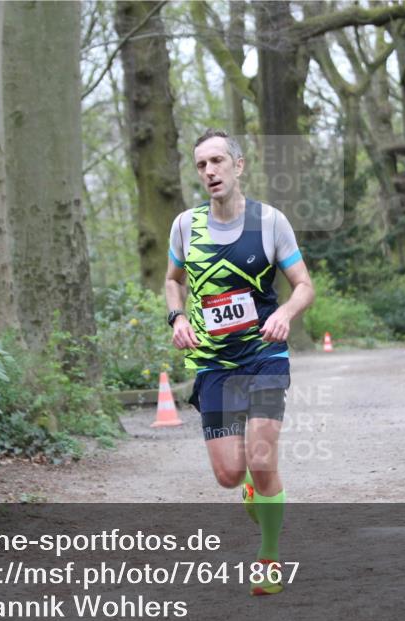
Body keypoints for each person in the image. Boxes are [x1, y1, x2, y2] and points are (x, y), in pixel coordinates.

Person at [164, 129, 314, 596]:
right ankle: (250, 487)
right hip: (213, 363)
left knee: (263, 457)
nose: (210, 172)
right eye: (201, 165)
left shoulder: (270, 222)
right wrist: (177, 316)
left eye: (217, 162)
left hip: (264, 355)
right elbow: (172, 281)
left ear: (238, 165)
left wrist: (286, 313)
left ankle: (268, 559)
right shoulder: (186, 226)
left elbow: (304, 285)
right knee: (230, 475)